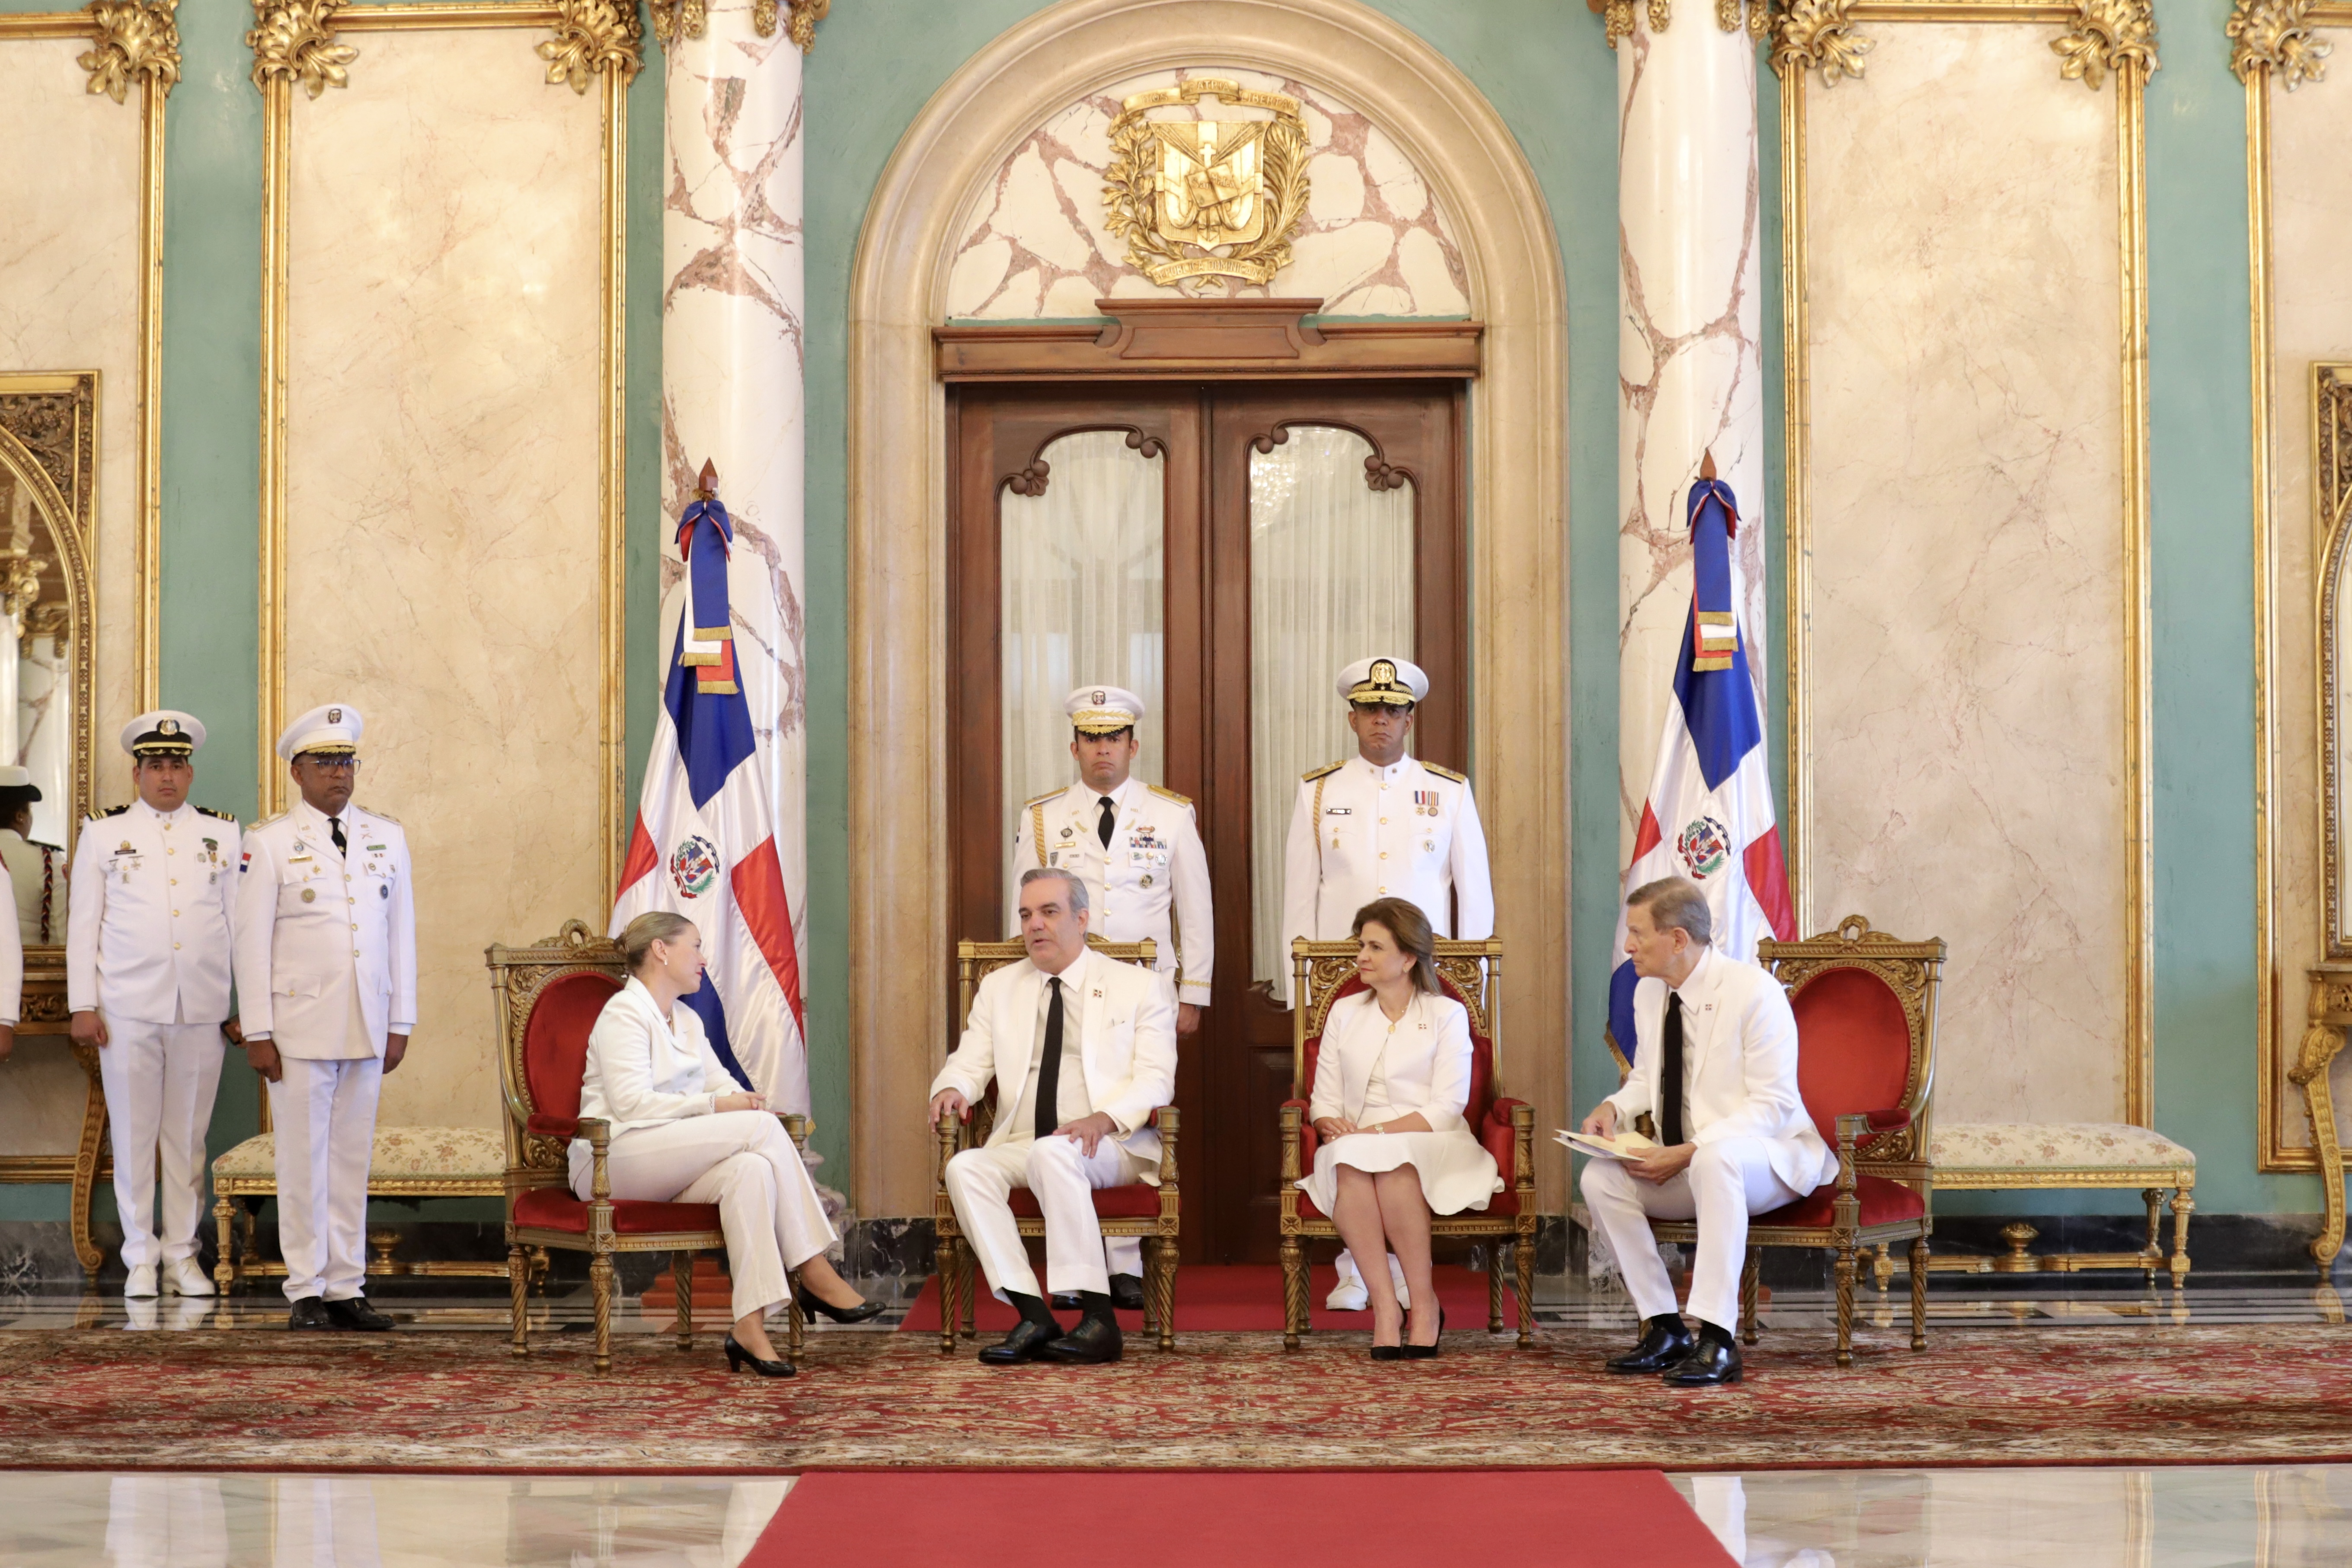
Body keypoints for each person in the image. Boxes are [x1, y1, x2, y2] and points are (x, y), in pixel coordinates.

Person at [579, 912, 882, 1379]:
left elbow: (721, 1083)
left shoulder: (686, 1018)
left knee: (751, 1171)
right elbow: (632, 1104)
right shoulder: (624, 1013)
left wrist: (745, 1102)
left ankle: (749, 1327)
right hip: (610, 1159)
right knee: (759, 1131)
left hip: (666, 1160)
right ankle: (813, 1267)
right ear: (661, 950)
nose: (703, 959)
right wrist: (720, 1107)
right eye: (695, 946)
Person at [1280, 655, 1493, 1311]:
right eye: (1370, 709)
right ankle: (1356, 1267)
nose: (1381, 719)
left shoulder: (1446, 790)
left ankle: (1398, 1271)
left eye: (1393, 709)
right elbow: (1300, 894)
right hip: (1339, 972)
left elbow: (1473, 893)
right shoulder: (1319, 791)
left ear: (1409, 718)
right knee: (1351, 1099)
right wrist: (1302, 990)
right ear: (1352, 718)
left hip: (1423, 970)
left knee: (1399, 1103)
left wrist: (1474, 984)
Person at [1576, 875, 1836, 1388]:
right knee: (1599, 1178)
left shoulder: (1753, 991)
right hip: (1692, 1162)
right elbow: (1648, 1077)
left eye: (1637, 933)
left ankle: (1718, 1339)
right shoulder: (1649, 992)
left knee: (1716, 1160)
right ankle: (1664, 1327)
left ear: (1677, 939)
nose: (1627, 946)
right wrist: (1612, 1106)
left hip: (1770, 1159)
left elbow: (1775, 1106)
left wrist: (1691, 1151)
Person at [1008, 683, 1209, 1311]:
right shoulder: (1042, 817)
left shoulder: (1170, 814)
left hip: (1142, 991)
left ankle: (1122, 1262)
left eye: (1114, 738)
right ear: (1074, 747)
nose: (1103, 749)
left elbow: (1195, 911)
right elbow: (1022, 910)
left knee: (1125, 1111)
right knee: (1074, 1105)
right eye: (1091, 738)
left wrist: (1194, 991)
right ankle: (1079, 1262)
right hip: (1068, 985)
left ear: (1133, 745)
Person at [930, 866, 1176, 1367]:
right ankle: (1033, 1314)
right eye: (1026, 915)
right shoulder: (1000, 987)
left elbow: (1156, 1080)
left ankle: (1100, 1320)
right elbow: (970, 1059)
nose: (1035, 924)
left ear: (1081, 919)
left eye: (1049, 912)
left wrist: (1103, 1119)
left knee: (1053, 1154)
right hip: (1025, 1140)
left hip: (1112, 1143)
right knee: (965, 1166)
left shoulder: (1138, 986)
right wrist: (953, 1087)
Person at [231, 703, 414, 1332]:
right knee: (303, 1161)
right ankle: (305, 1288)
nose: (339, 773)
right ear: (297, 771)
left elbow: (400, 934)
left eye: (346, 761)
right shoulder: (269, 842)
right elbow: (250, 943)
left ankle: (346, 1286)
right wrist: (258, 1030)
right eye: (325, 762)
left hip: (367, 1023)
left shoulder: (386, 836)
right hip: (298, 1028)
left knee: (349, 1161)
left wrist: (401, 1020)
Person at [67, 712, 237, 1300]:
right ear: (137, 773)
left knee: (187, 1139)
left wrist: (245, 1006)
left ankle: (182, 1256)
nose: (167, 775)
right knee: (135, 1135)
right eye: (155, 765)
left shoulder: (223, 833)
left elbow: (239, 925)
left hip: (201, 1007)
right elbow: (84, 924)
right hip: (126, 1008)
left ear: (190, 773)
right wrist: (83, 1003)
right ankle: (140, 1256)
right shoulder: (104, 832)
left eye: (177, 765)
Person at [1299, 897, 1498, 1359]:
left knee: (1393, 1164)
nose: (1361, 957)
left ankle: (1423, 1305)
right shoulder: (1345, 1012)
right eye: (1361, 945)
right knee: (1348, 1161)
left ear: (1408, 958)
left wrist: (1374, 1135)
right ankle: (1387, 1308)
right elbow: (1323, 1097)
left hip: (1432, 1138)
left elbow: (1448, 1107)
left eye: (1375, 947)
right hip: (1354, 1140)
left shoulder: (1446, 1014)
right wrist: (1326, 1120)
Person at [0, 765, 64, 945]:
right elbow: (62, 936)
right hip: (33, 963)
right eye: (30, 809)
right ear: (20, 816)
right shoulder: (48, 860)